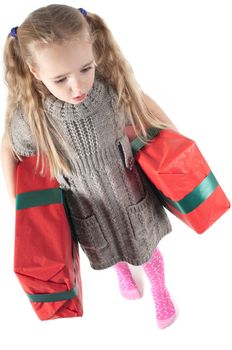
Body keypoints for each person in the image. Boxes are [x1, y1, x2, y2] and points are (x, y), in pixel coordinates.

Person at [1, 4, 179, 329]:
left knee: (147, 249)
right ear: (35, 72)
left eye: (86, 68)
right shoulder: (32, 119)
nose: (78, 86)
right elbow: (11, 151)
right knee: (108, 251)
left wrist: (177, 146)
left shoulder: (111, 95)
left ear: (94, 52)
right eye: (61, 78)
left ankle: (159, 289)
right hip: (86, 208)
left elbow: (148, 110)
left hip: (131, 197)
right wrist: (21, 208)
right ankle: (123, 274)